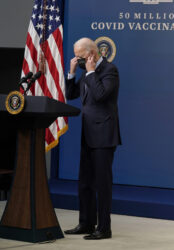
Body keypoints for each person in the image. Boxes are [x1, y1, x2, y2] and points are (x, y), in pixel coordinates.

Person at [64, 37, 121, 240]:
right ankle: (86, 223)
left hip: (104, 136)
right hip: (88, 135)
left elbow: (100, 95)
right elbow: (70, 94)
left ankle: (104, 228)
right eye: (75, 57)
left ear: (91, 54)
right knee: (85, 182)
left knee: (102, 184)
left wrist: (88, 71)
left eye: (79, 57)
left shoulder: (109, 70)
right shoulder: (85, 73)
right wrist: (72, 73)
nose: (77, 60)